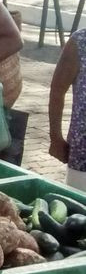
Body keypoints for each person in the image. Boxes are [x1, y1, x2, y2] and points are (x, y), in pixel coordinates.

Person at [49, 28, 86, 190]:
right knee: (79, 210)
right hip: (83, 151)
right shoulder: (80, 41)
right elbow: (57, 90)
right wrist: (55, 137)